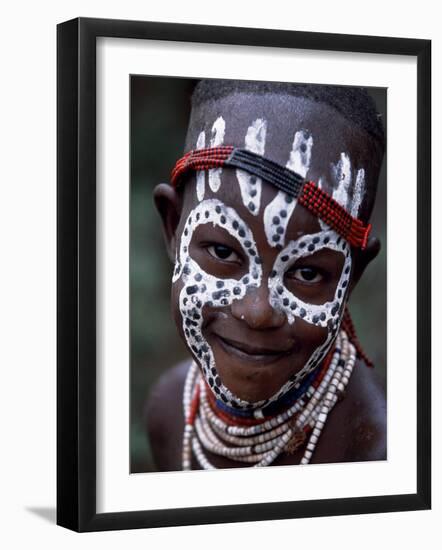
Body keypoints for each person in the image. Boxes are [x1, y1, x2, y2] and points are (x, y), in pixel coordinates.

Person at [145, 79, 386, 471]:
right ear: (174, 227)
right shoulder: (168, 410)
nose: (258, 312)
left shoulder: (381, 455)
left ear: (351, 276)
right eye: (223, 252)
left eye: (307, 272)